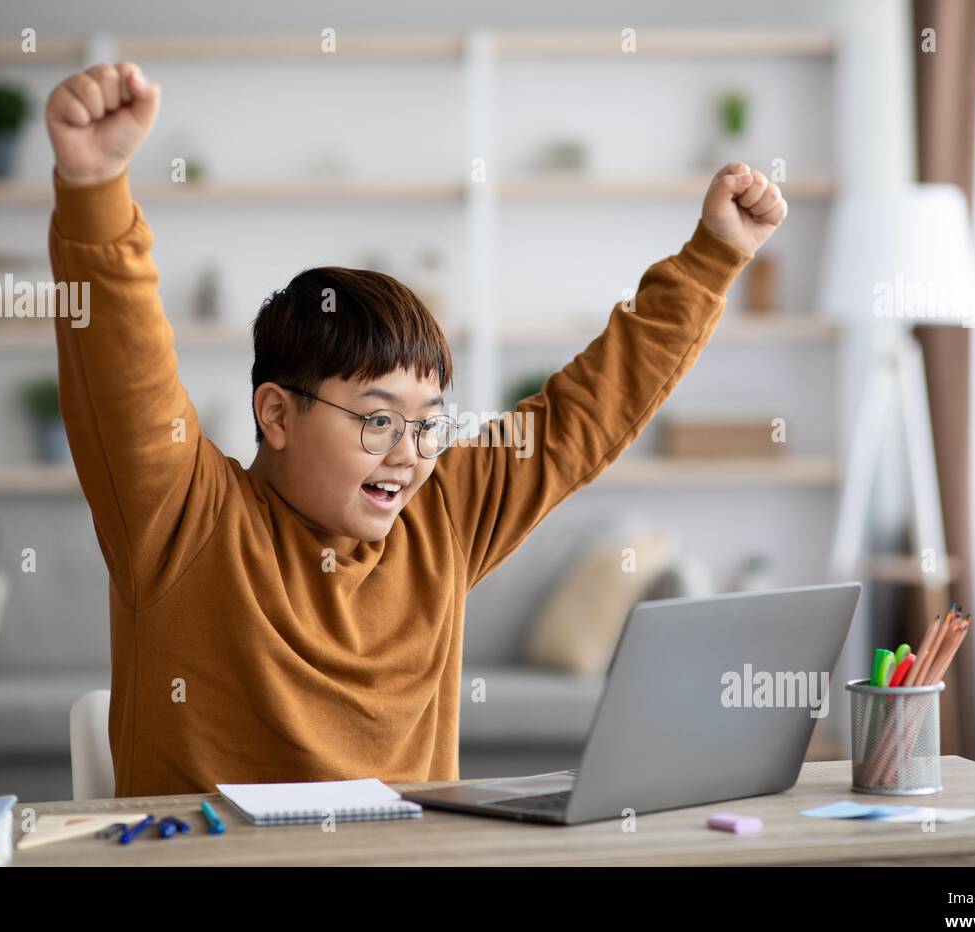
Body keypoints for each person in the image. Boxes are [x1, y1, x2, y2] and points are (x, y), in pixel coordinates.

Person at [45, 62, 786, 797]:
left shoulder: (442, 518)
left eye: (430, 426)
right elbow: (124, 373)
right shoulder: (186, 521)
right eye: (377, 419)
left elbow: (585, 415)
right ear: (276, 414)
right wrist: (95, 190)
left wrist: (714, 257)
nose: (409, 454)